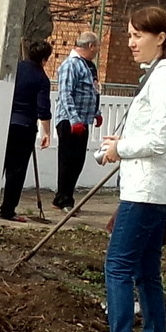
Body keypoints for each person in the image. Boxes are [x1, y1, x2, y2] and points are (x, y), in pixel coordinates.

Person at [85, 5, 166, 332]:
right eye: (129, 35)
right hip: (156, 188)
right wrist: (124, 140)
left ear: (160, 38)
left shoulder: (164, 79)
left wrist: (121, 148)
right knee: (147, 272)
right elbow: (157, 133)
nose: (130, 43)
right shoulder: (164, 74)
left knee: (117, 267)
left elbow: (161, 139)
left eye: (137, 36)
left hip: (146, 190)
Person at [0, 39, 53, 221]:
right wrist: (46, 132)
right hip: (24, 127)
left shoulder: (15, 69)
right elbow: (43, 109)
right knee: (16, 171)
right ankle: (7, 210)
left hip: (4, 122)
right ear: (44, 59)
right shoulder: (41, 78)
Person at [51, 31, 102, 210]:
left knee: (77, 161)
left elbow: (93, 90)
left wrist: (96, 111)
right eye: (96, 47)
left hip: (83, 120)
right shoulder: (71, 65)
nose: (97, 51)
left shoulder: (89, 66)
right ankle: (64, 199)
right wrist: (74, 119)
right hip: (70, 121)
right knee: (68, 161)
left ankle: (65, 196)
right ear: (90, 46)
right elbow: (65, 94)